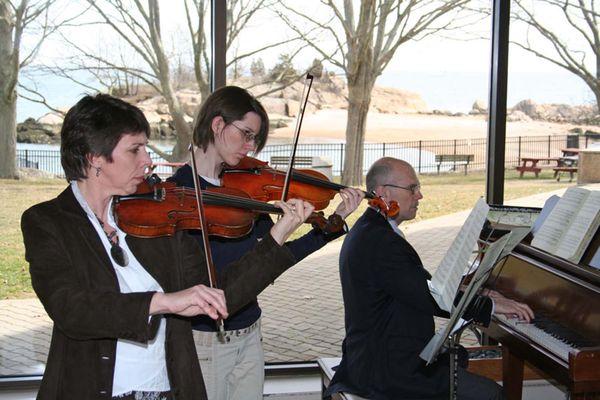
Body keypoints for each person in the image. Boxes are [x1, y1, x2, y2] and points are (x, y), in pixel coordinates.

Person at [21, 94, 315, 400]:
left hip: (166, 390)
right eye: (135, 149)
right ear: (95, 157)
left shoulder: (155, 215)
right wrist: (162, 302)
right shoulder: (47, 222)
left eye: (146, 148)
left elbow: (221, 291)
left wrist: (277, 236)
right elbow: (71, 308)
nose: (147, 160)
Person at [168, 85, 364, 400]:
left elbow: (272, 258)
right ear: (217, 125)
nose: (251, 146)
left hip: (249, 336)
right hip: (203, 344)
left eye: (255, 139)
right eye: (246, 134)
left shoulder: (246, 192)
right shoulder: (179, 198)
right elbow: (207, 288)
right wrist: (278, 234)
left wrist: (333, 222)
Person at [326, 157, 534, 400]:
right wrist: (494, 306)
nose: (420, 196)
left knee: (460, 365)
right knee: (492, 394)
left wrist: (482, 293)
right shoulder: (380, 242)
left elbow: (420, 285)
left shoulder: (372, 230)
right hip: (387, 371)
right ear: (382, 193)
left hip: (380, 356)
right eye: (412, 188)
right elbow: (434, 298)